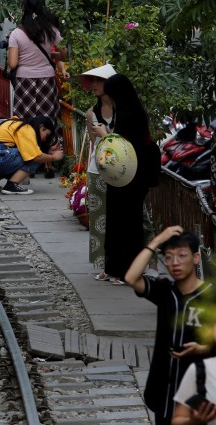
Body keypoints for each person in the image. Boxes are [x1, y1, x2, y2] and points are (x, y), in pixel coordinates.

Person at [124, 227, 216, 425]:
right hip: (164, 388)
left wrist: (204, 348)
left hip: (201, 390)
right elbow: (131, 278)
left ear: (195, 258)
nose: (175, 263)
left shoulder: (214, 296)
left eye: (181, 256)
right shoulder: (165, 291)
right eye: (169, 257)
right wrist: (156, 241)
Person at [95, 73, 161, 282]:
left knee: (127, 223)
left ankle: (125, 269)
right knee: (118, 220)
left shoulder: (129, 114)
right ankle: (115, 267)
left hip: (132, 175)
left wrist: (104, 135)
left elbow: (123, 145)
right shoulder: (127, 110)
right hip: (127, 175)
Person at [6, 0, 68, 178]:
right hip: (46, 81)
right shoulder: (51, 31)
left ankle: (28, 161)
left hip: (25, 82)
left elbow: (13, 64)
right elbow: (64, 54)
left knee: (26, 120)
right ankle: (49, 163)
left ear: (23, 10)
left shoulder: (17, 34)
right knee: (48, 119)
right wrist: (51, 57)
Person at [80, 63, 119, 282]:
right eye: (92, 81)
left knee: (119, 219)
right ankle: (104, 264)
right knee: (99, 220)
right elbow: (93, 146)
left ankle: (121, 263)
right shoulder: (91, 113)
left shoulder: (123, 111)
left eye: (99, 81)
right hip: (97, 169)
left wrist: (106, 134)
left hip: (122, 170)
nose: (94, 85)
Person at [0, 116, 64, 195]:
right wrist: (53, 157)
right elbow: (36, 157)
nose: (45, 139)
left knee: (27, 154)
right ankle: (11, 186)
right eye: (47, 135)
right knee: (34, 157)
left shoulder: (16, 123)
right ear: (42, 127)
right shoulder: (26, 129)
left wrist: (48, 151)